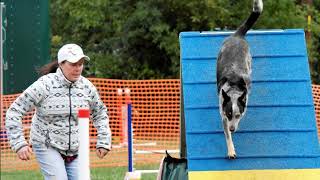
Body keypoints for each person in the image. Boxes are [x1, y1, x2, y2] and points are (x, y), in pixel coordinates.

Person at [5, 43, 112, 180]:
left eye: (80, 64)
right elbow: (14, 111)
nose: (78, 68)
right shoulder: (44, 85)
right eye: (73, 64)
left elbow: (100, 113)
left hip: (76, 148)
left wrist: (104, 140)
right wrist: (19, 143)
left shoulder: (87, 87)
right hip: (46, 144)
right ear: (61, 64)